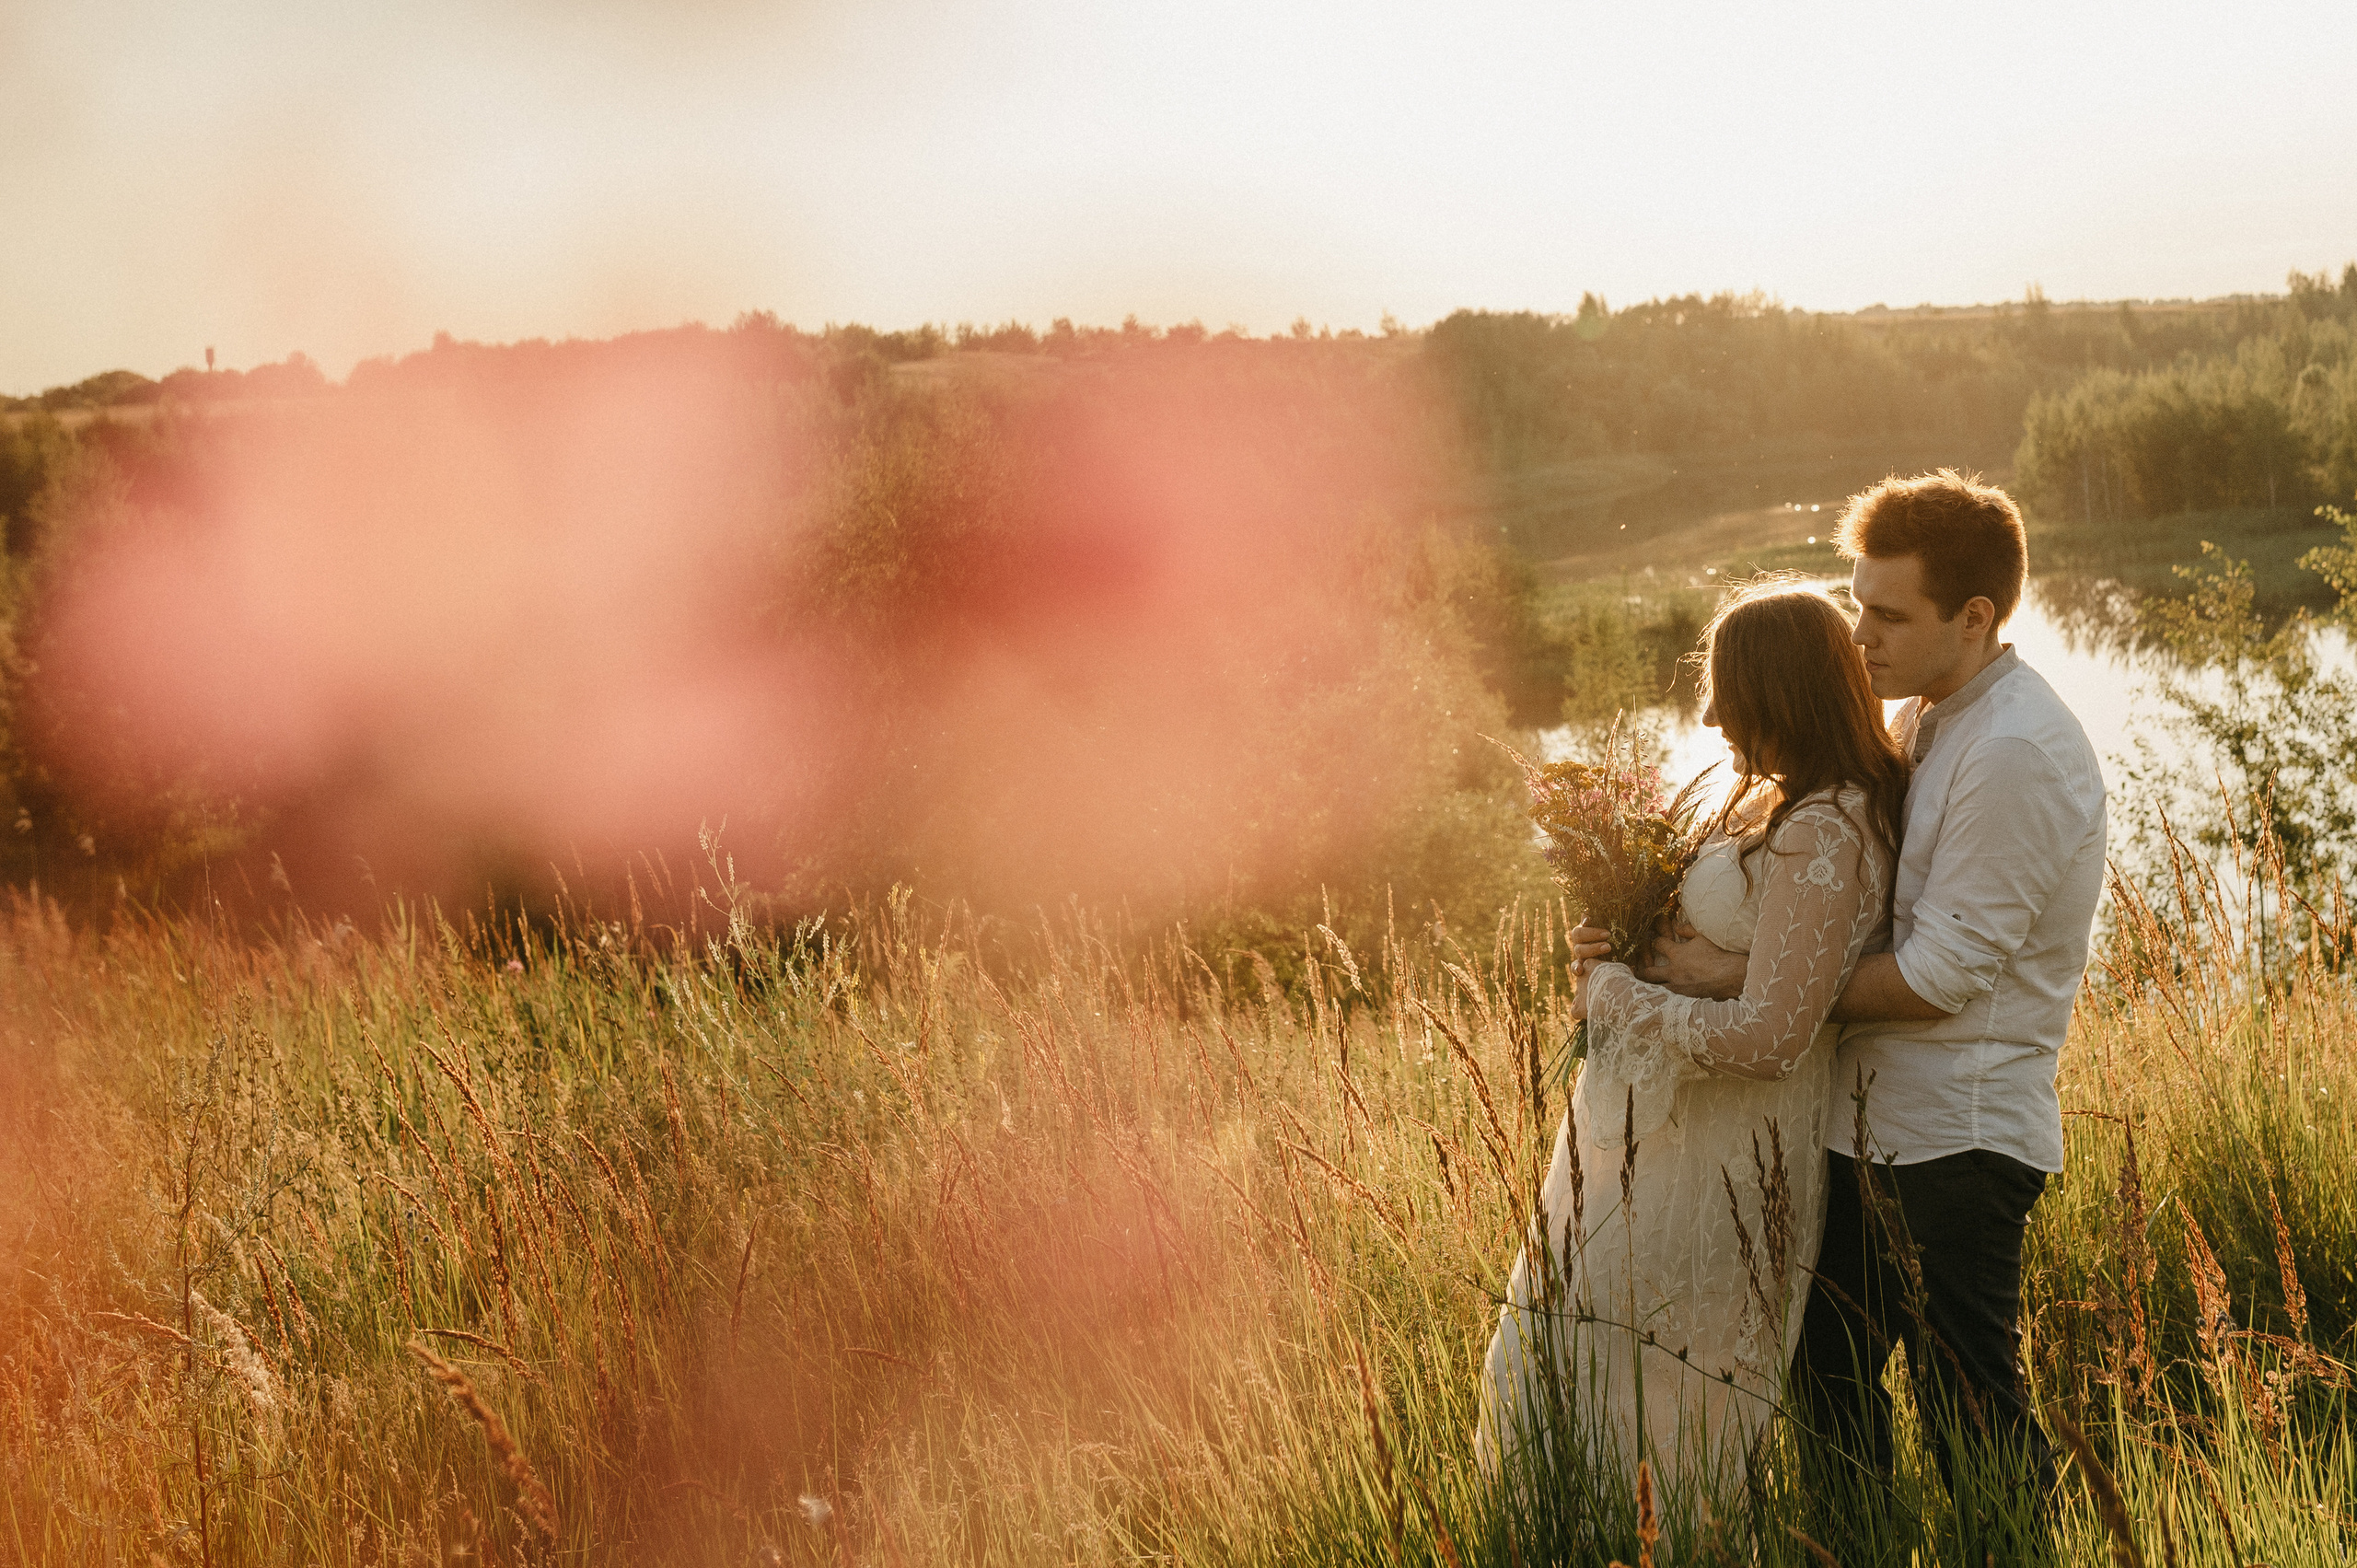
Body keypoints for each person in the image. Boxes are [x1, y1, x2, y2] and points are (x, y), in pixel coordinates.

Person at [1579, 470, 2106, 1549]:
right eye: (1856, 601)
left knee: (1974, 1417)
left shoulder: (2013, 751)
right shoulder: (1923, 716)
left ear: (1975, 616)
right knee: (1827, 1393)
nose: (1857, 635)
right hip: (1862, 1127)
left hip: (1952, 1139)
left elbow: (1937, 975)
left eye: (1888, 613)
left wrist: (1729, 981)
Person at [1479, 579, 1910, 1506]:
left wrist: (1624, 995)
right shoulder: (1773, 805)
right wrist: (1615, 943)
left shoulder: (1829, 828)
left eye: (1729, 692)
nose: (1709, 713)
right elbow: (1712, 954)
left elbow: (1769, 1036)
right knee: (1566, 1354)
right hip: (1667, 1135)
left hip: (1726, 1148)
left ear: (1781, 691)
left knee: (1671, 1387)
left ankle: (1654, 1537)